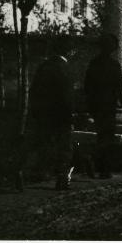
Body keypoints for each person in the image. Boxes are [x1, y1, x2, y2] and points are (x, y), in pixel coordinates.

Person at [17, 45, 74, 191]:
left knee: (42, 144)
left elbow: (34, 91)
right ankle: (62, 180)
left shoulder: (43, 67)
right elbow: (67, 96)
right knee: (64, 147)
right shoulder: (65, 68)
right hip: (61, 116)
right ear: (68, 52)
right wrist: (71, 114)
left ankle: (30, 174)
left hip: (42, 114)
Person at [84, 34, 122, 178]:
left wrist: (88, 108)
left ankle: (94, 163)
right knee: (107, 138)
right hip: (109, 107)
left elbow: (87, 87)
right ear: (112, 49)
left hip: (96, 107)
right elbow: (120, 87)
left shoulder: (93, 63)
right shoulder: (114, 65)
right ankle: (103, 169)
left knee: (100, 136)